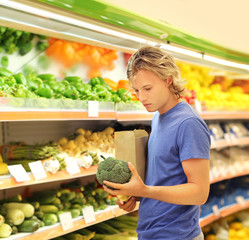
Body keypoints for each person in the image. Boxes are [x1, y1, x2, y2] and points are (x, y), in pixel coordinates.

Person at [103, 45, 211, 240]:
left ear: (168, 80)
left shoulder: (188, 123)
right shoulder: (158, 117)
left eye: (147, 88)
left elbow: (199, 192)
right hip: (151, 233)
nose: (141, 97)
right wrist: (136, 196)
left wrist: (144, 190)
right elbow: (165, 176)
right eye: (136, 90)